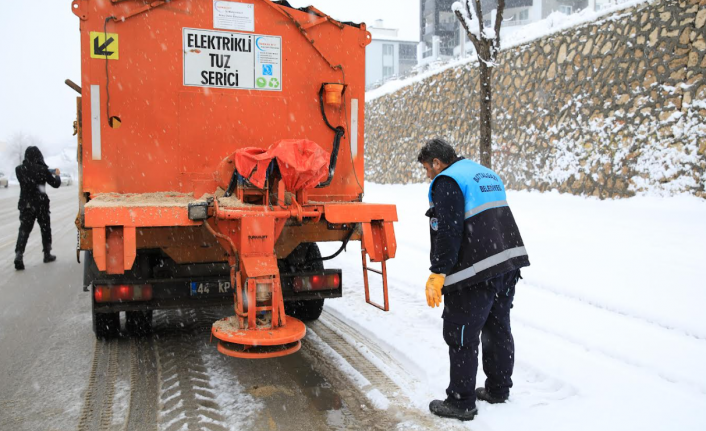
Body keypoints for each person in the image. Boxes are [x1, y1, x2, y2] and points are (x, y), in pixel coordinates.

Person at [419, 139, 530, 421]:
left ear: (436, 162)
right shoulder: (483, 173)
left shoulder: (447, 181)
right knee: (497, 328)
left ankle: (461, 402)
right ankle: (498, 389)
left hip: (476, 272)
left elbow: (449, 230)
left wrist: (438, 272)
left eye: (427, 168)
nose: (428, 175)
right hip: (507, 263)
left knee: (462, 335)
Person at [14, 146, 61, 270]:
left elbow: (27, 176)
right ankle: (47, 254)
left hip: (26, 205)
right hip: (41, 205)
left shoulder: (19, 170)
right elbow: (56, 185)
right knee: (45, 229)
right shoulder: (42, 170)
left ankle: (19, 255)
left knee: (24, 231)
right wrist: (57, 175)